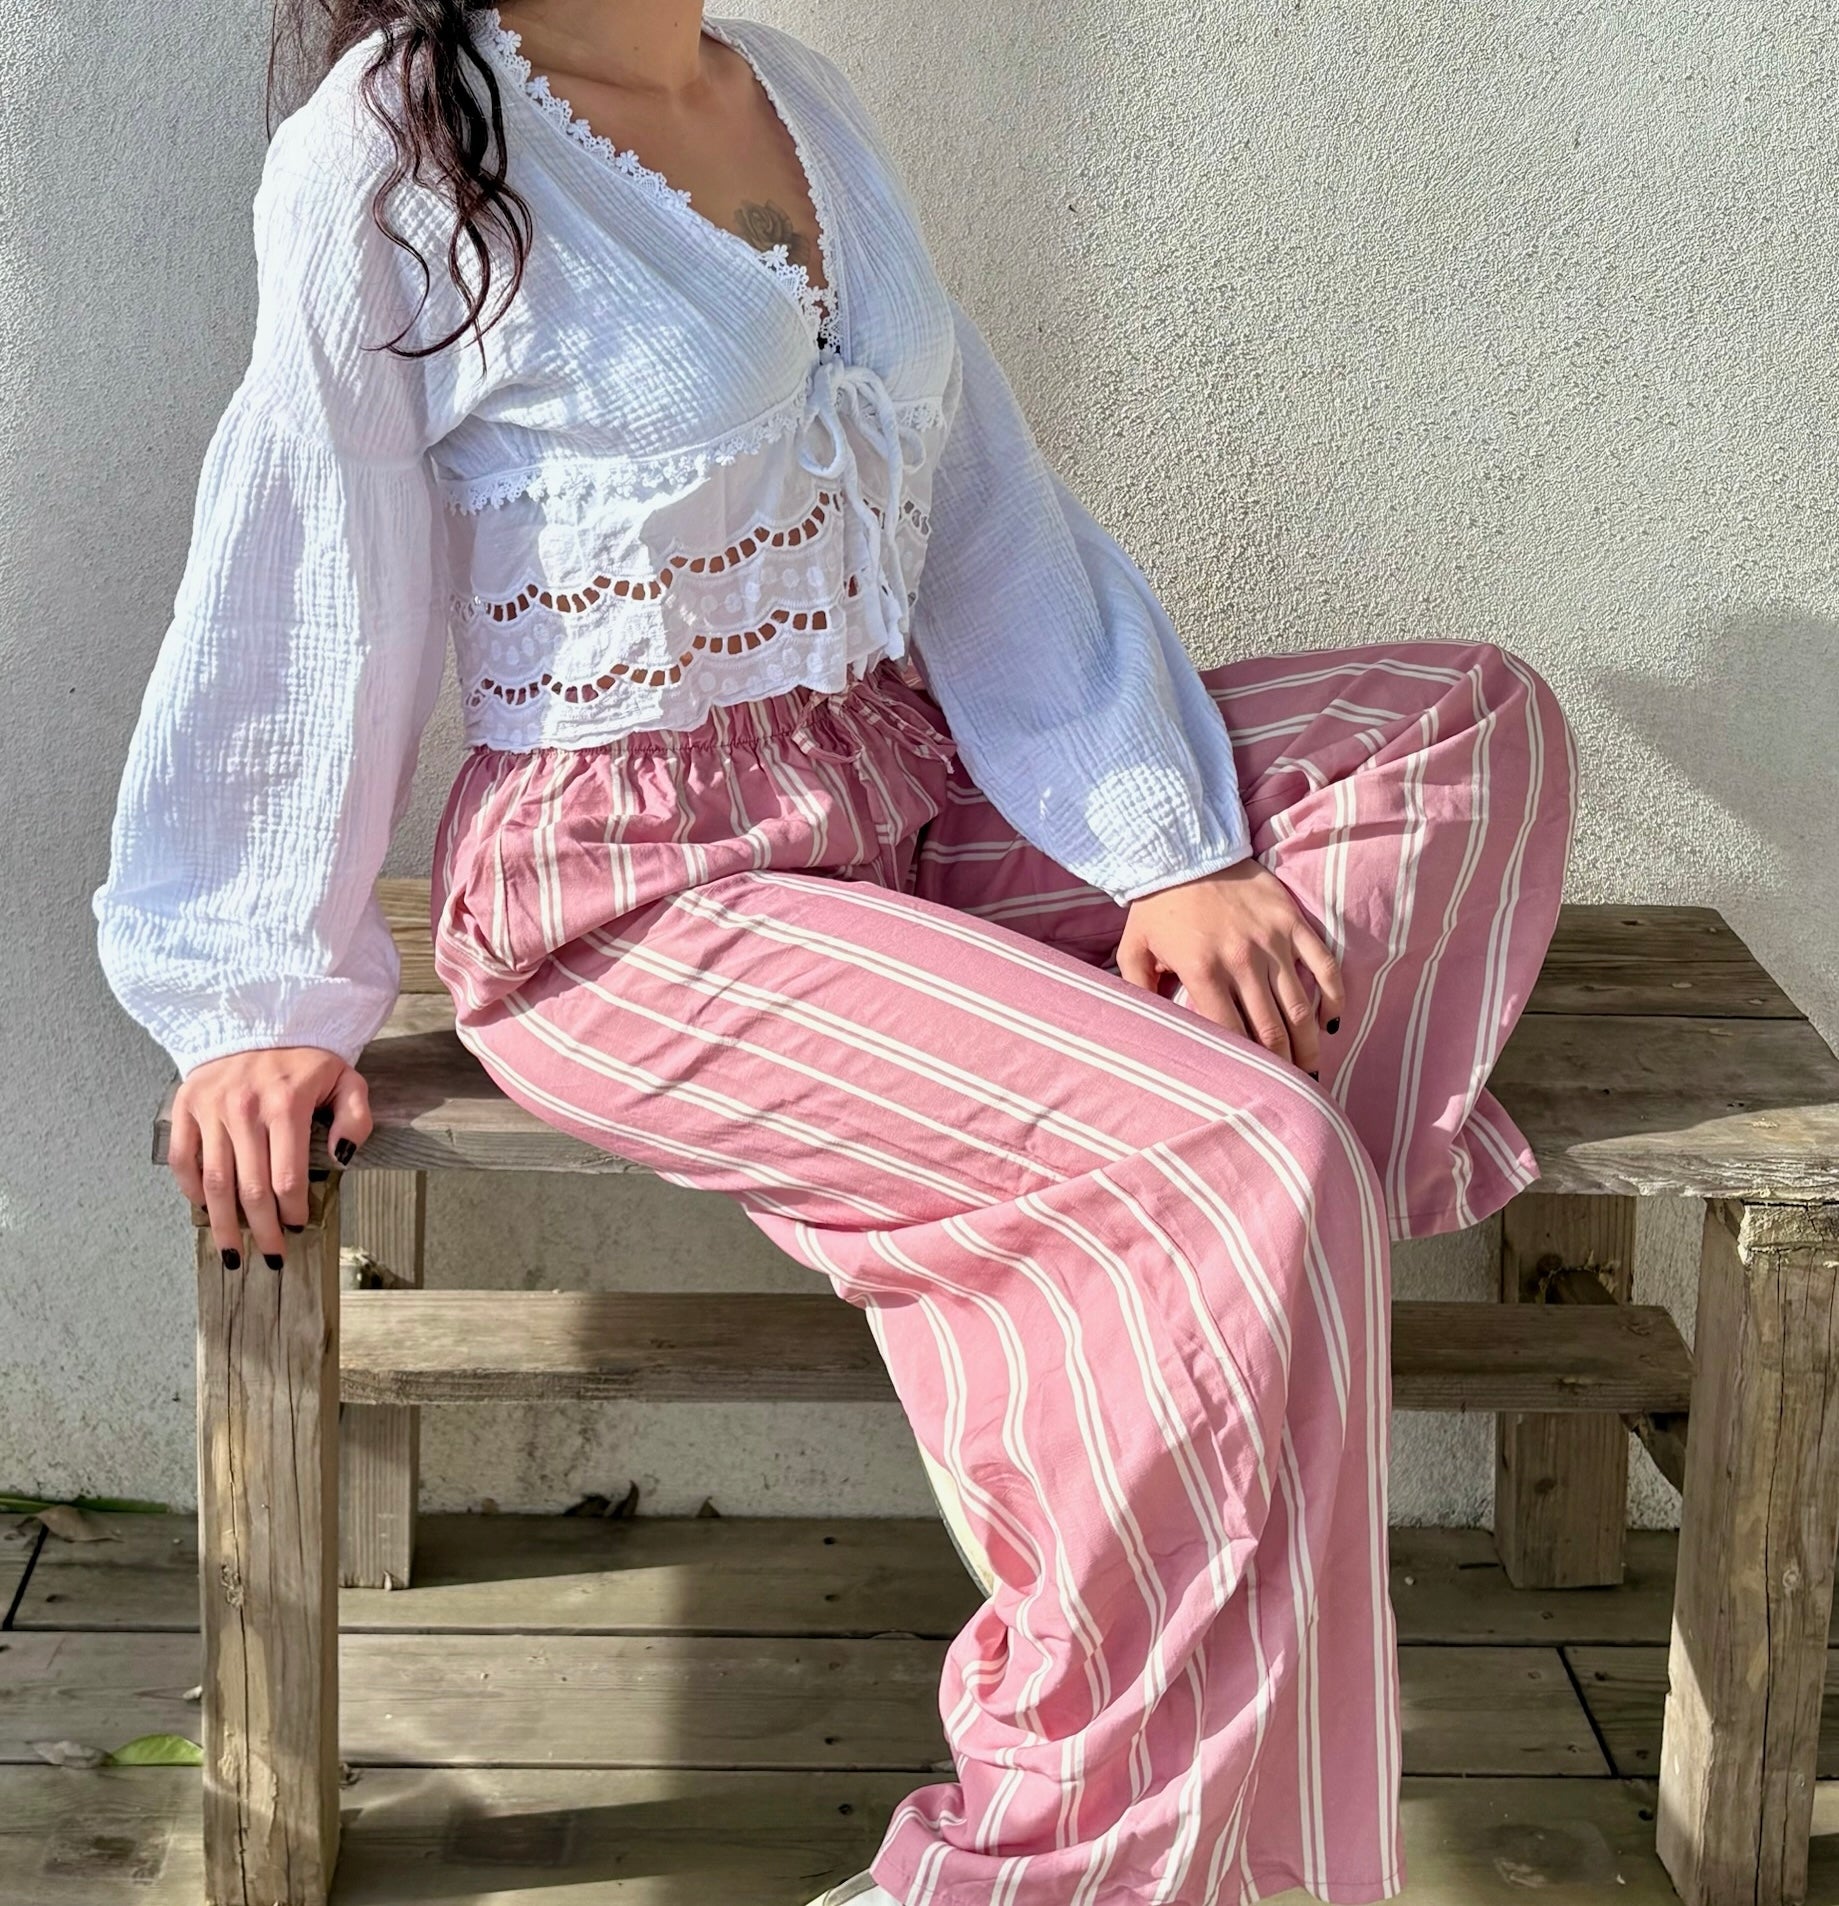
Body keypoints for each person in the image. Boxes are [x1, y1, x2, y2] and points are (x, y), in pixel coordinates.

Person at [91, 2, 1578, 1900]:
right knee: (1249, 1158)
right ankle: (1059, 1813)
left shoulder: (795, 93)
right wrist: (253, 994)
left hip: (901, 790)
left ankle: (1128, 1369)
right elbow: (307, 562)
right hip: (633, 901)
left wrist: (1173, 845)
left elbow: (983, 511)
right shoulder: (400, 146)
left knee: (1456, 725)